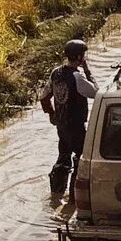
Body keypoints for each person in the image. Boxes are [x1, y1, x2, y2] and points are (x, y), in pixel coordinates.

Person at [40, 39, 98, 199]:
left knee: (63, 157)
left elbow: (44, 97)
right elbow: (96, 92)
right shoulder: (77, 77)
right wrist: (87, 71)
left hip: (62, 127)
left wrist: (52, 114)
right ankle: (75, 199)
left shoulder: (55, 73)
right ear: (79, 57)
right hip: (76, 127)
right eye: (83, 55)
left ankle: (56, 194)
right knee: (82, 160)